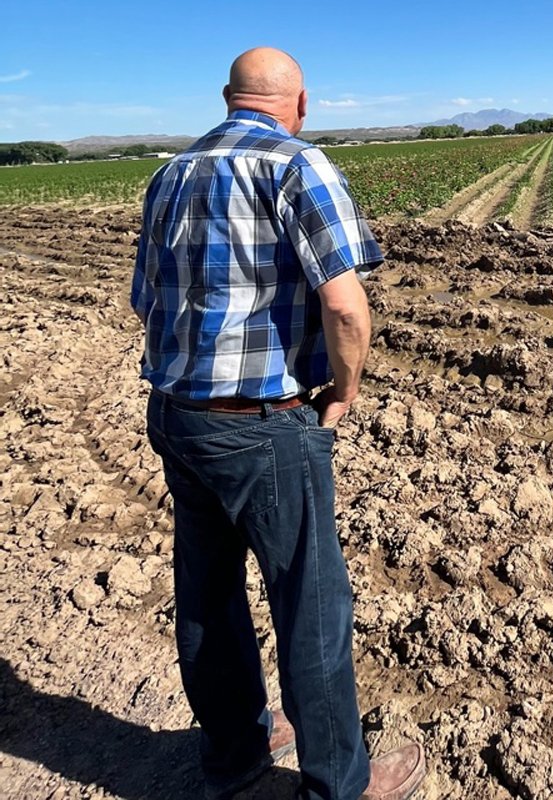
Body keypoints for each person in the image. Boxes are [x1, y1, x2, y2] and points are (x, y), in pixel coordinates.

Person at [131, 47, 426, 800]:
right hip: (263, 422)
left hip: (177, 415)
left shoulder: (169, 176)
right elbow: (346, 304)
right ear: (300, 102)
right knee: (311, 604)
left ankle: (234, 759)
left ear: (228, 99)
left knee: (206, 590)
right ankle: (340, 784)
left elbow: (147, 300)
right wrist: (344, 392)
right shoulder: (298, 166)